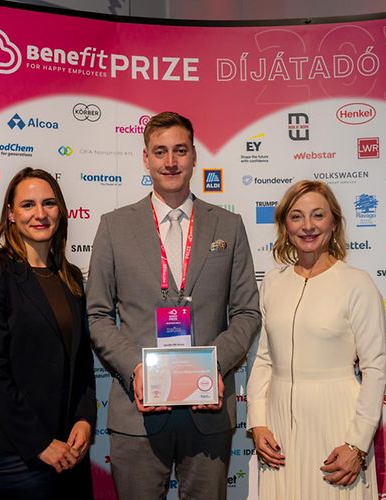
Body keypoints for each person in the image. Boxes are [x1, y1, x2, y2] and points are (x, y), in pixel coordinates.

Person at [86, 111, 261, 499]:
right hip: (138, 414)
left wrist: (212, 366)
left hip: (208, 410)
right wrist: (136, 368)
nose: (170, 162)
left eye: (180, 151)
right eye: (160, 151)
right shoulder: (114, 226)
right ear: (145, 158)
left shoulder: (228, 226)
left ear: (194, 156)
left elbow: (247, 312)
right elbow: (97, 315)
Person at [246, 180, 386, 499]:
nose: (308, 226)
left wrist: (357, 443)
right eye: (296, 216)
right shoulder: (273, 282)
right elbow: (264, 358)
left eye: (318, 215)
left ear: (334, 222)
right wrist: (258, 422)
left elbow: (375, 368)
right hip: (278, 429)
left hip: (336, 422)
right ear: (285, 226)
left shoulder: (357, 284)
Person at [0, 167, 96, 499]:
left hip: (69, 448)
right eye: (27, 205)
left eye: (49, 203)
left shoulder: (71, 277)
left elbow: (81, 360)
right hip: (14, 453)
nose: (40, 214)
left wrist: (84, 418)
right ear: (10, 214)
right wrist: (39, 443)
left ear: (60, 211)